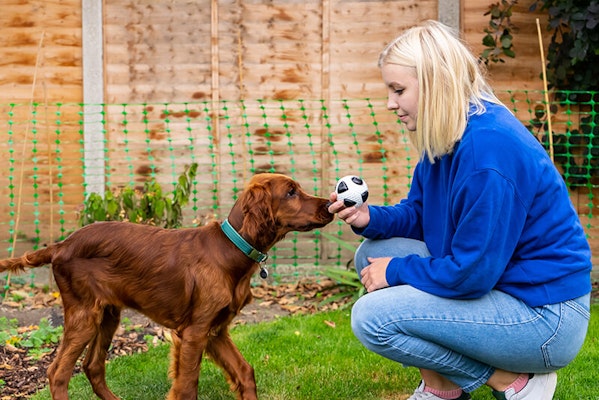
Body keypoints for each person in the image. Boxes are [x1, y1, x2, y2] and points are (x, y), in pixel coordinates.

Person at [328, 20, 592, 400]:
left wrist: (398, 271)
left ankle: (515, 382)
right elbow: (421, 215)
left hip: (547, 317)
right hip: (505, 288)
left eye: (399, 90)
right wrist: (373, 218)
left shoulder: (489, 153)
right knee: (373, 254)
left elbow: (472, 273)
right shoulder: (446, 136)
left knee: (372, 318)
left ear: (435, 84)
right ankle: (443, 389)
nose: (390, 103)